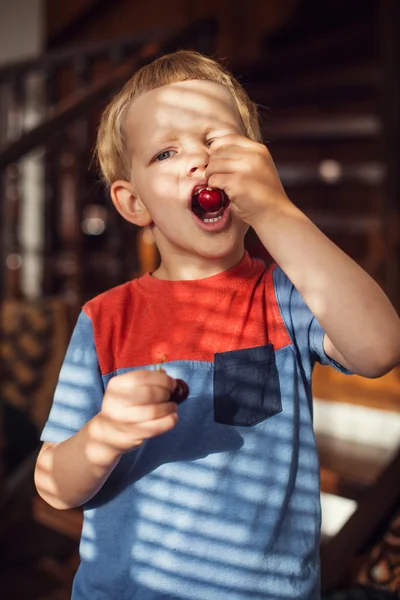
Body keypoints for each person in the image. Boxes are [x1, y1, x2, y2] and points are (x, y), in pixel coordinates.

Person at [34, 50, 400, 600]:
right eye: (166, 152)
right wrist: (101, 439)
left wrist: (276, 210)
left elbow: (379, 348)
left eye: (216, 140)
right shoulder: (104, 318)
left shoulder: (282, 296)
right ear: (134, 203)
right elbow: (54, 485)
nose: (198, 162)